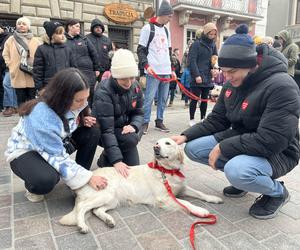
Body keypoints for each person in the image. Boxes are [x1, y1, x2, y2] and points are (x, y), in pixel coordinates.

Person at [172, 24, 300, 220]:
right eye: (223, 71)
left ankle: (276, 192)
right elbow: (218, 119)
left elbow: (273, 139)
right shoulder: (233, 82)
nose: (227, 77)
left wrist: (224, 147)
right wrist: (184, 135)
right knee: (193, 148)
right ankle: (245, 181)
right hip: (244, 139)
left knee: (237, 170)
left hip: (280, 151)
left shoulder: (282, 86)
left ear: (251, 65)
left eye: (231, 71)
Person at [5, 68, 107, 202]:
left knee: (92, 131)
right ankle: (32, 185)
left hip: (53, 145)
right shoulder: (42, 115)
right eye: (79, 100)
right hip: (26, 152)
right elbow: (56, 155)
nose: (84, 104)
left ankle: (80, 176)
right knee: (47, 179)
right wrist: (89, 177)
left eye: (86, 98)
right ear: (62, 97)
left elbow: (64, 124)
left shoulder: (74, 102)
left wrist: (81, 121)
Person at [92, 49, 144, 178]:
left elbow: (139, 112)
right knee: (130, 140)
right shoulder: (104, 92)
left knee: (134, 168)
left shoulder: (136, 86)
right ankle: (107, 158)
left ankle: (107, 156)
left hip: (125, 130)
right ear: (115, 76)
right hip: (104, 131)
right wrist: (117, 161)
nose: (128, 83)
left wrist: (134, 125)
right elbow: (106, 130)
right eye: (123, 79)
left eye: (131, 78)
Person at [137, 0, 176, 134]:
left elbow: (169, 51)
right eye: (170, 16)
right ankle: (144, 122)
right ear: (163, 14)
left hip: (166, 71)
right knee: (149, 98)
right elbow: (141, 49)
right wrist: (146, 66)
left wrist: (172, 69)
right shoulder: (147, 28)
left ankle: (159, 121)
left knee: (163, 99)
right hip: (153, 70)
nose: (171, 18)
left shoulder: (166, 30)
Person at [3, 17, 40, 106]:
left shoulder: (35, 41)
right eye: (19, 24)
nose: (21, 26)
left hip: (31, 74)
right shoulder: (11, 39)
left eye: (24, 24)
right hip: (17, 72)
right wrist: (10, 65)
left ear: (28, 26)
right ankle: (22, 118)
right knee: (21, 101)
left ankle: (32, 119)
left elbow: (40, 56)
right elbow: (5, 54)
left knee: (32, 101)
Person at [188, 22, 218, 127]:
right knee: (194, 99)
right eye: (211, 34)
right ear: (206, 33)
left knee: (205, 99)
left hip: (207, 76)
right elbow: (192, 61)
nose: (212, 36)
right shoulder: (196, 44)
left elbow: (214, 60)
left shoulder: (213, 45)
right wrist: (196, 75)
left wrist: (215, 69)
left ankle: (203, 118)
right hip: (197, 76)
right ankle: (191, 118)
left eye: (214, 34)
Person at [65, 19, 100, 106]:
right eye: (77, 26)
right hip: (72, 72)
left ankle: (88, 116)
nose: (79, 29)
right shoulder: (64, 40)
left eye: (79, 27)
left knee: (88, 95)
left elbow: (94, 53)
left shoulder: (84, 39)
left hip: (88, 72)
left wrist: (96, 68)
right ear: (70, 27)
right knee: (75, 96)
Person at [33, 21, 76, 91]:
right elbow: (38, 71)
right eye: (59, 33)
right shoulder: (42, 49)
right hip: (49, 86)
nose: (62, 36)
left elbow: (73, 68)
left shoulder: (67, 49)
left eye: (63, 33)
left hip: (65, 85)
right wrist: (40, 88)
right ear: (51, 35)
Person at [0, 23, 18, 116]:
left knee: (6, 84)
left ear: (2, 28)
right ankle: (14, 107)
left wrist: (9, 63)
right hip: (4, 66)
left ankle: (9, 106)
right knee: (10, 85)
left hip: (10, 65)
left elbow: (6, 52)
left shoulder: (8, 37)